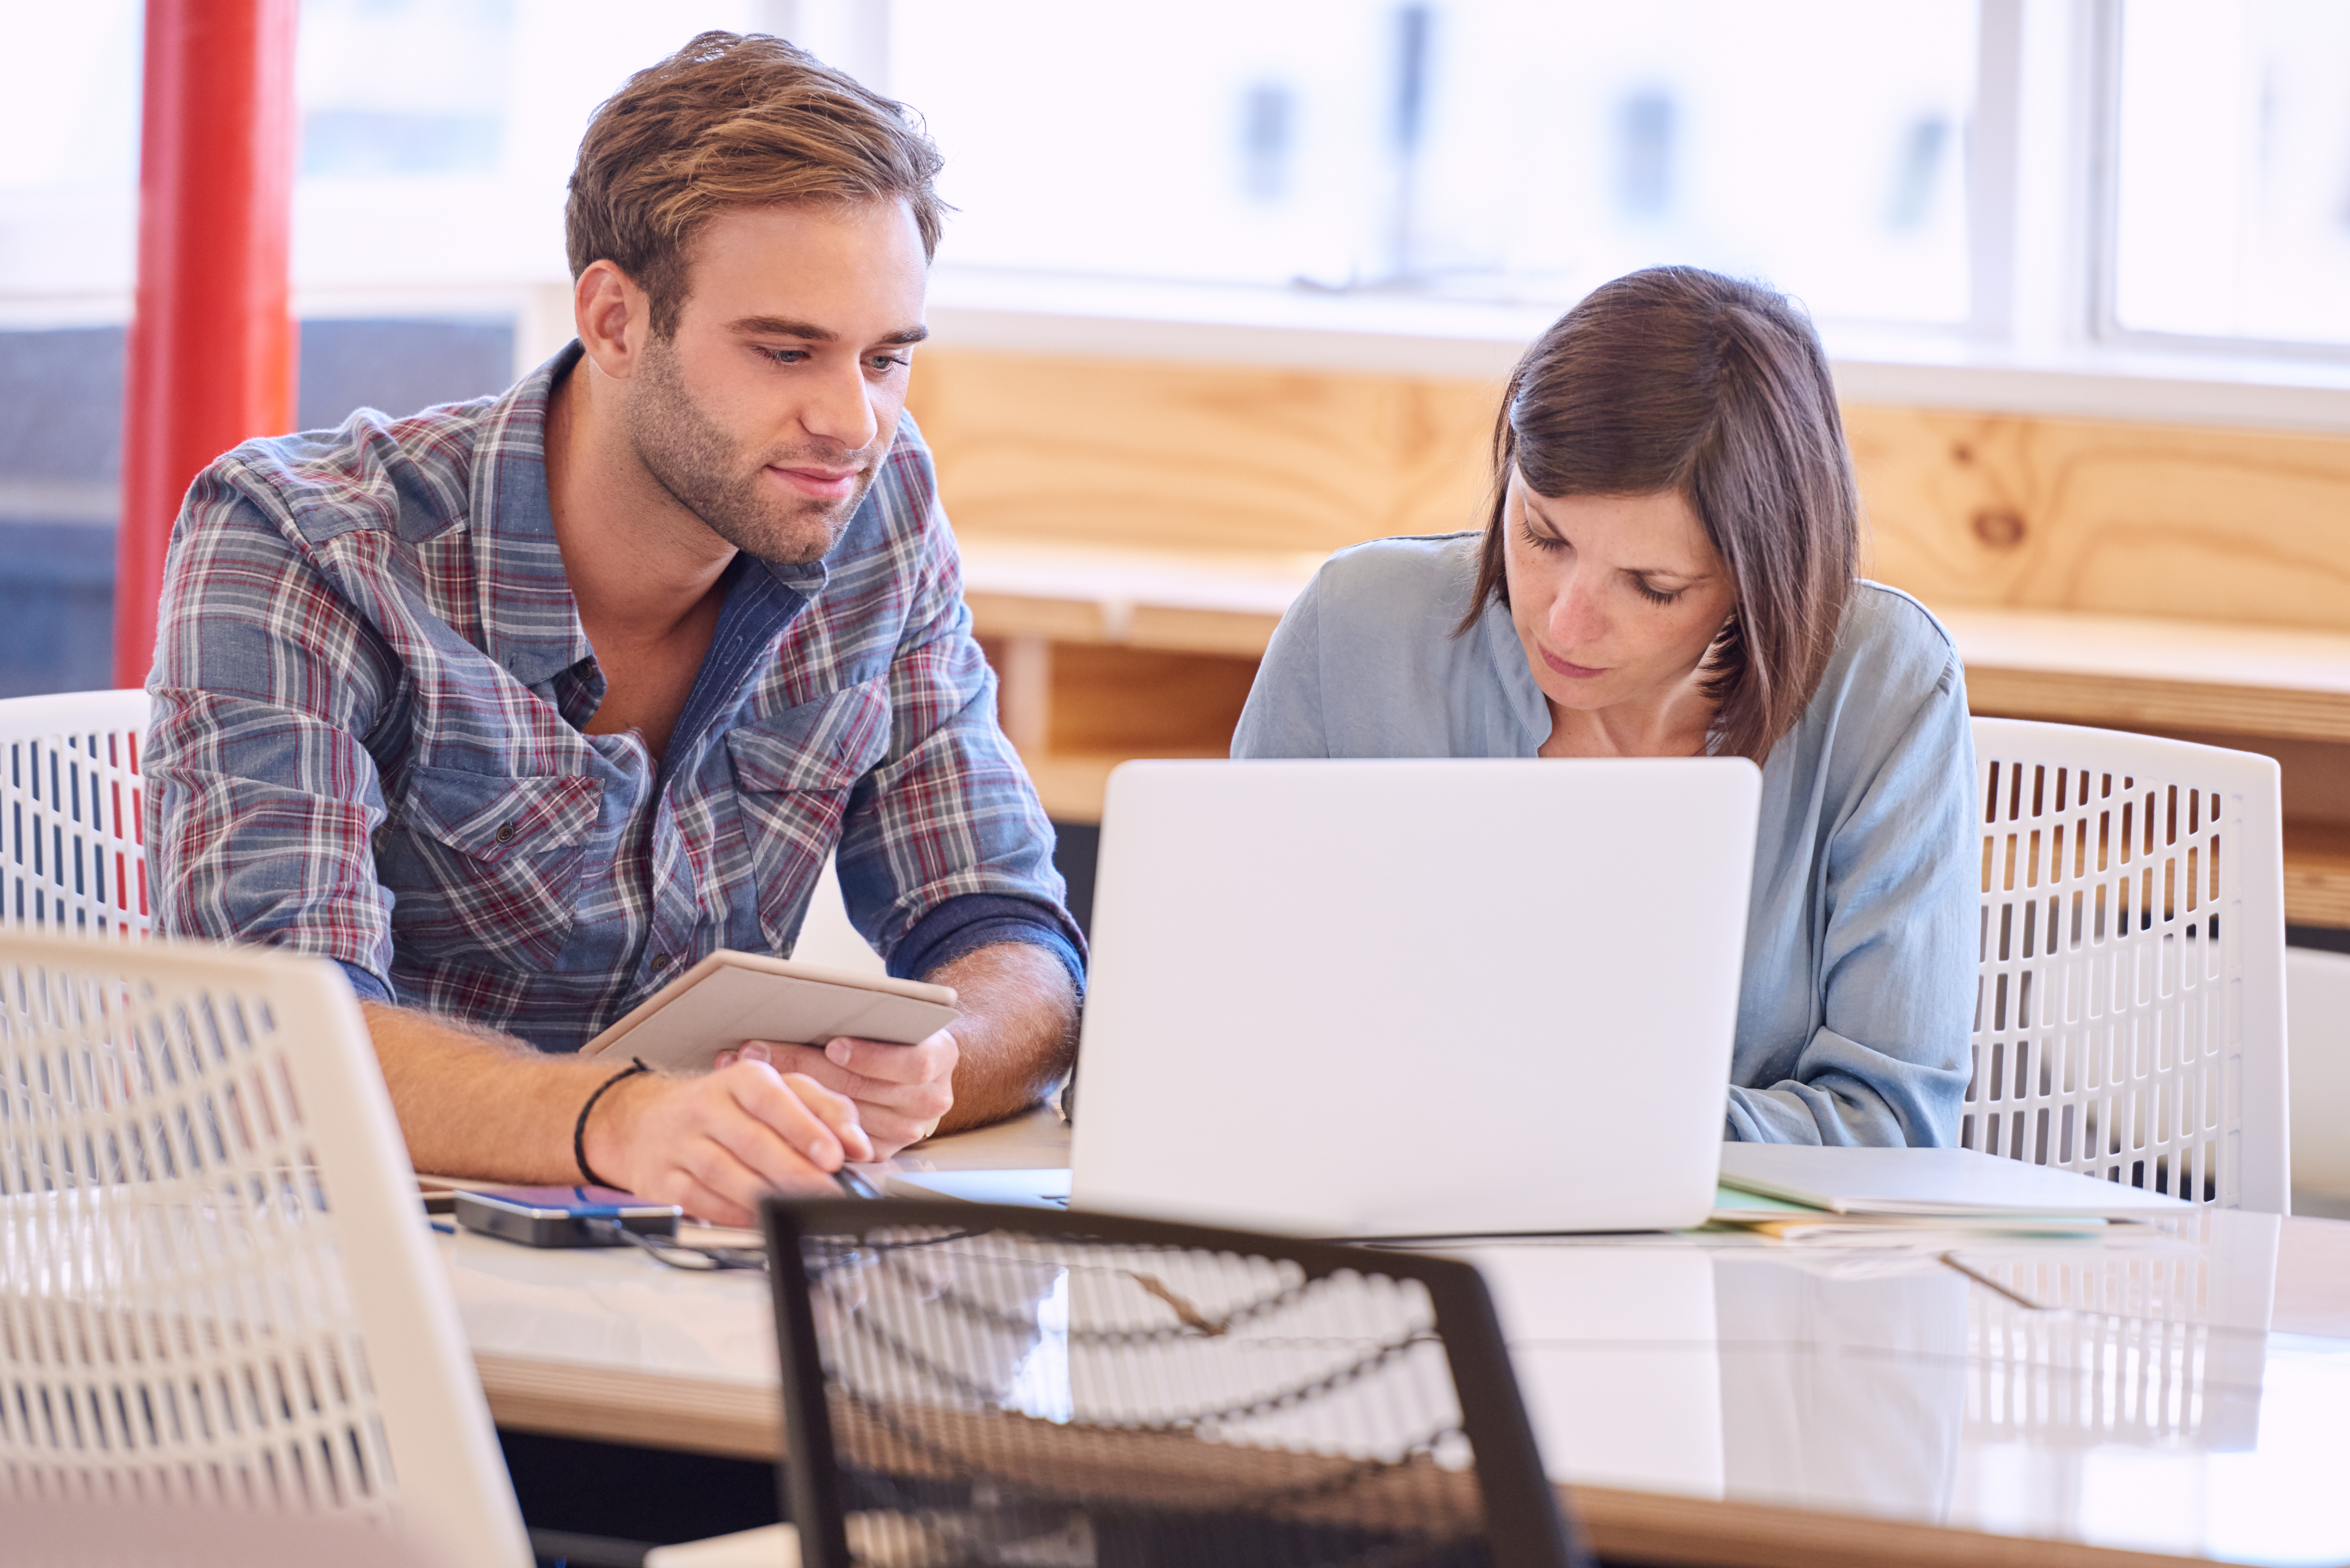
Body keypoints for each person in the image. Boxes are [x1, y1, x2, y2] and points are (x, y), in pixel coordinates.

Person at [144, 33, 1084, 1222]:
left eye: (886, 359)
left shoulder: (875, 513)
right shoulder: (305, 540)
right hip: (328, 1284)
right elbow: (265, 1038)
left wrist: (929, 1068)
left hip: (672, 1271)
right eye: (786, 350)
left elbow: (1009, 937)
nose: (853, 421)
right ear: (616, 320)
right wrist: (623, 1119)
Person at [1233, 266, 1973, 1146]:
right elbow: (1222, 1012)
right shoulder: (1354, 628)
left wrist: (1550, 1125)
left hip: (1737, 1274)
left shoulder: (1885, 687)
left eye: (1652, 586)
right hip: (1373, 1232)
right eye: (1542, 535)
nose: (1565, 620)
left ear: (1759, 583)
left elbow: (1888, 1123)